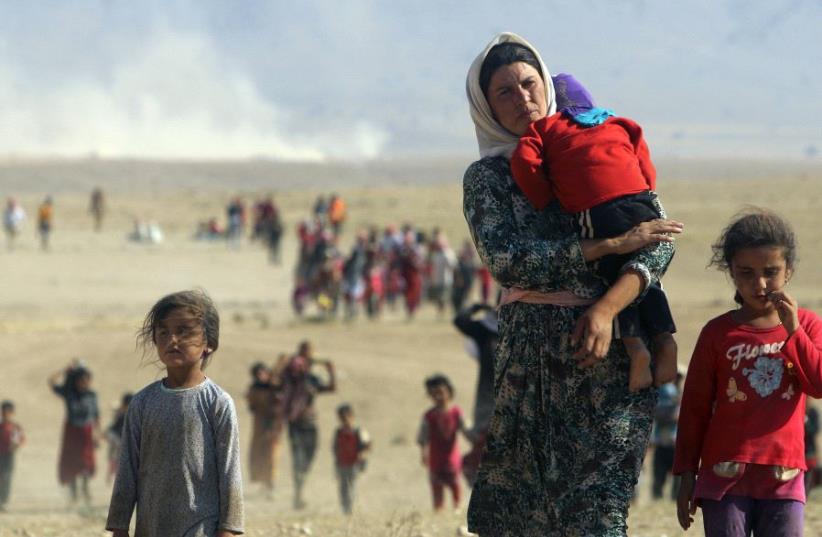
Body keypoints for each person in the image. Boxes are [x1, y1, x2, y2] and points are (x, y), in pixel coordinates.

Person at [462, 32, 682, 536]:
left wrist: (606, 309)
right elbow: (508, 261)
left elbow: (659, 238)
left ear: (547, 85)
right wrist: (605, 247)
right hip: (531, 369)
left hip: (615, 360)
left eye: (529, 84)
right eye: (505, 92)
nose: (523, 100)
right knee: (525, 515)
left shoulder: (594, 143)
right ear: (486, 106)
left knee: (600, 514)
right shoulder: (488, 179)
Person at [510, 74, 678, 391]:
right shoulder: (618, 121)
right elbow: (644, 156)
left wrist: (544, 196)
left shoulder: (545, 127)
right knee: (645, 272)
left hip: (597, 209)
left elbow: (524, 161)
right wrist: (644, 193)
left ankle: (636, 349)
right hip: (640, 201)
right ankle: (665, 339)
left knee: (611, 272)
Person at [674, 209, 822, 537]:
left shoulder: (808, 326)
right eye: (747, 273)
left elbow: (818, 383)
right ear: (732, 273)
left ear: (789, 271)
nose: (760, 284)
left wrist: (793, 331)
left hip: (784, 477)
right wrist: (686, 475)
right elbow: (694, 409)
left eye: (771, 272)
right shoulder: (717, 333)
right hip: (724, 478)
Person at [106, 289, 244, 537]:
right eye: (164, 332)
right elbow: (127, 468)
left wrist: (228, 530)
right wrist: (119, 525)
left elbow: (230, 472)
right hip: (151, 527)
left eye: (184, 331)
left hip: (201, 527)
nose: (172, 340)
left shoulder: (217, 403)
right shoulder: (142, 403)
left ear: (208, 343)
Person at [281, 341, 336, 509]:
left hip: (310, 423)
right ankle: (298, 495)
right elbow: (278, 378)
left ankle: (300, 489)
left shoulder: (312, 379)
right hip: (295, 423)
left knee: (309, 457)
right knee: (298, 459)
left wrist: (331, 370)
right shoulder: (290, 376)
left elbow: (331, 388)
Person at [453, 304, 498, 486]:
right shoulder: (485, 332)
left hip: (518, 398)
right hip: (487, 398)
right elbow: (461, 320)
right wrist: (477, 306)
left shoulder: (524, 326)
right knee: (483, 442)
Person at [418, 374, 473, 511]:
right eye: (434, 394)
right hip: (435, 460)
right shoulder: (429, 416)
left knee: (455, 486)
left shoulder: (456, 413)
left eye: (441, 393)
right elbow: (423, 437)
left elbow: (467, 431)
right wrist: (423, 453)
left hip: (452, 460)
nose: (438, 397)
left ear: (449, 392)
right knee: (437, 489)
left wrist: (477, 444)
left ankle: (457, 510)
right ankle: (438, 512)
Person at [48, 360, 100, 505]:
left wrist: (97, 433)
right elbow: (51, 382)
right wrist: (64, 370)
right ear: (76, 380)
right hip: (71, 432)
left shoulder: (92, 395)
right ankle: (73, 495)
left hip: (86, 432)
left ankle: (85, 490)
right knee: (71, 463)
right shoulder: (68, 393)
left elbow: (96, 415)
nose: (85, 382)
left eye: (87, 379)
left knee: (86, 462)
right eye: (82, 379)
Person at [246, 361, 285, 498]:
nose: (261, 376)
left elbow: (279, 407)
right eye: (258, 374)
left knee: (272, 456)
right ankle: (264, 486)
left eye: (263, 373)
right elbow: (252, 406)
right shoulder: (255, 389)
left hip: (274, 427)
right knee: (260, 455)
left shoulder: (276, 388)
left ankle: (271, 486)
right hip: (259, 426)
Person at [650, 370, 684, 500]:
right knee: (659, 478)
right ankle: (658, 500)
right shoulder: (666, 393)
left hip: (675, 444)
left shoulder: (680, 395)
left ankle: (672, 499)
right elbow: (660, 414)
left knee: (676, 480)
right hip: (664, 443)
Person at [332, 403, 371, 514]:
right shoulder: (339, 432)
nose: (344, 420)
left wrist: (363, 456)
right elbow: (335, 449)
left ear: (351, 416)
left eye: (346, 417)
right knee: (343, 488)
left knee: (352, 486)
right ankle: (345, 508)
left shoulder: (358, 431)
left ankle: (351, 508)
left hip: (354, 464)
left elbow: (368, 444)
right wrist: (336, 464)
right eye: (342, 418)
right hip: (342, 464)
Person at [0, 400, 25, 512]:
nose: (6, 414)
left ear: (12, 413)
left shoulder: (15, 427)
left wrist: (16, 445)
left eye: (8, 412)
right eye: (4, 412)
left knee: (7, 478)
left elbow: (21, 440)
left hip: (9, 456)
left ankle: (4, 501)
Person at [105, 393, 133, 484]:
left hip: (127, 446)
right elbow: (112, 429)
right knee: (115, 462)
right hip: (119, 445)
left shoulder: (134, 416)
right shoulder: (121, 416)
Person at [805, 405, 820, 495]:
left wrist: (806, 422)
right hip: (795, 454)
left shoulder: (812, 411)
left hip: (809, 454)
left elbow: (815, 430)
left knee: (807, 482)